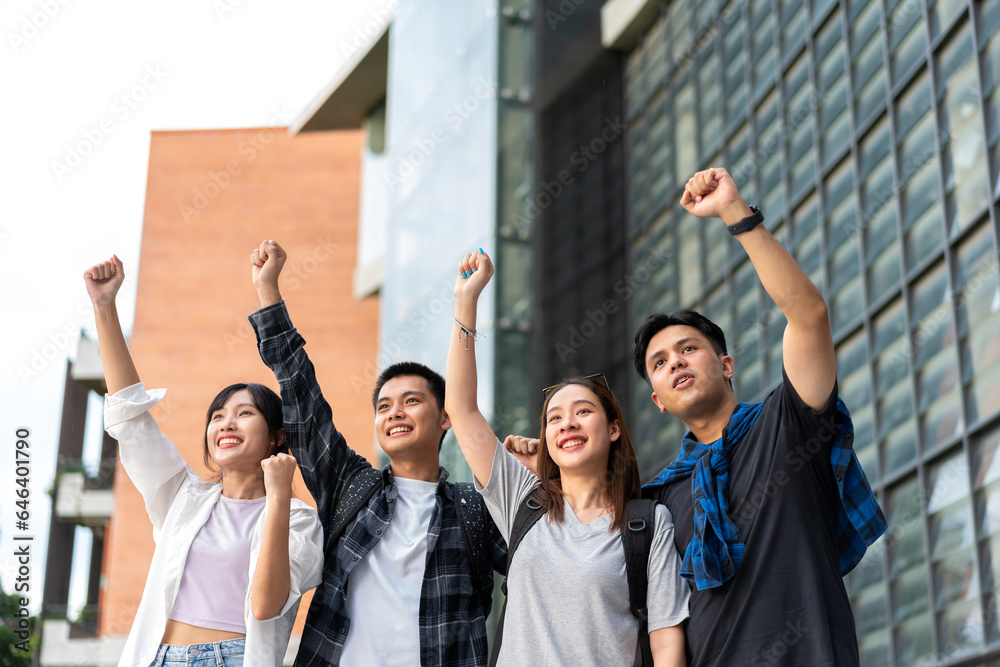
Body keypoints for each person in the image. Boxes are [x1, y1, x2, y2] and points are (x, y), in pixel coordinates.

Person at [633, 168, 887, 666]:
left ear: (726, 365)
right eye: (659, 364)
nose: (676, 362)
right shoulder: (656, 499)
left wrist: (734, 212)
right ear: (658, 400)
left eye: (688, 349)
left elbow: (809, 315)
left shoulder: (787, 424)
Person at [247, 240, 507, 667]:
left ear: (445, 418)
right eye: (383, 406)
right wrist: (268, 292)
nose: (394, 413)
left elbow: (537, 569)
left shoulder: (474, 509)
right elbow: (302, 394)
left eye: (411, 401)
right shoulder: (351, 485)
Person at [445, 250, 689, 667]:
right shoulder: (522, 500)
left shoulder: (647, 524)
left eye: (583, 412)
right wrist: (466, 302)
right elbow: (464, 411)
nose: (566, 424)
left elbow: (666, 642)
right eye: (554, 419)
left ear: (613, 429)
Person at [84, 255, 324, 667]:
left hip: (232, 658)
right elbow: (131, 419)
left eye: (244, 413)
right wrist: (105, 307)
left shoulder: (298, 519)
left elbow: (267, 606)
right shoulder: (185, 498)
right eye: (218, 416)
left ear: (276, 437)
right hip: (155, 656)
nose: (227, 423)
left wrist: (280, 493)